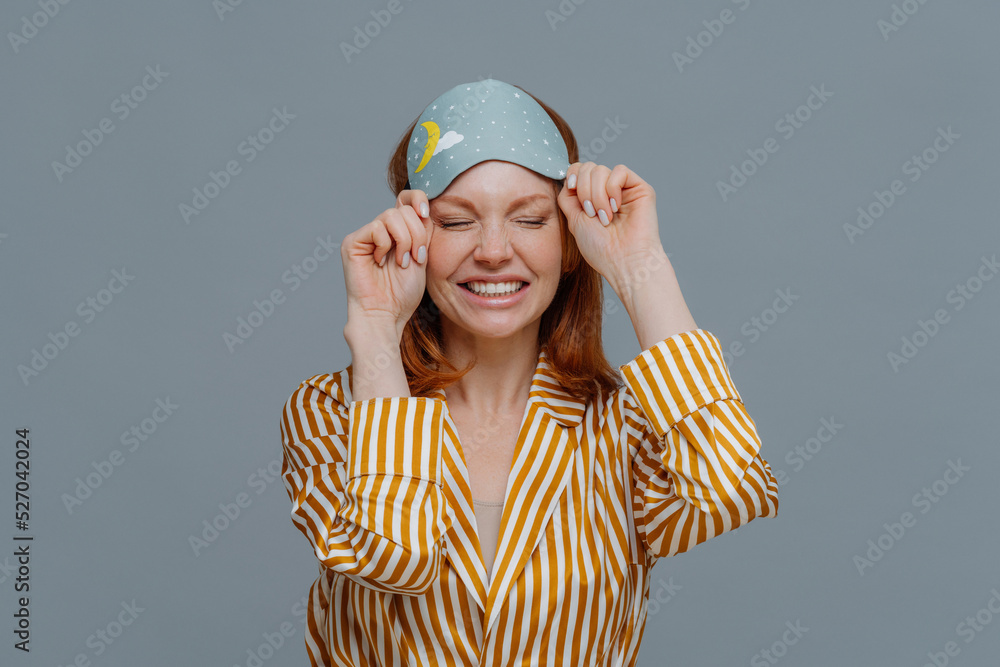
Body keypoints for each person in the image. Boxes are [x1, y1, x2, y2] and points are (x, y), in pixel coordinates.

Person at [279, 78, 779, 666]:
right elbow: (394, 558)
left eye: (531, 220)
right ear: (412, 236)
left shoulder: (624, 427)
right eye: (456, 222)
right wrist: (374, 327)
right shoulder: (332, 413)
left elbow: (731, 490)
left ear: (568, 245)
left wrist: (638, 265)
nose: (493, 250)